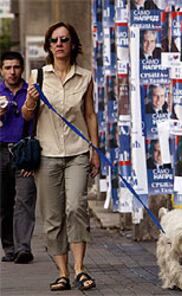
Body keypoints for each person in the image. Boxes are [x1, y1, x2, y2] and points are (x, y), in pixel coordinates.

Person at [22, 22, 100, 291]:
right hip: (47, 153)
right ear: (48, 45)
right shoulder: (38, 76)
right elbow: (27, 115)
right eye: (54, 40)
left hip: (78, 151)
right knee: (52, 216)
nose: (59, 44)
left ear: (72, 44)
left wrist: (95, 150)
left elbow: (90, 114)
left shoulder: (86, 77)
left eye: (64, 39)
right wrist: (31, 100)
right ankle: (62, 272)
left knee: (76, 206)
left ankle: (80, 269)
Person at [0, 51, 37, 264]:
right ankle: (9, 248)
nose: (12, 72)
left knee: (24, 200)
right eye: (7, 67)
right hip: (1, 150)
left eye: (15, 67)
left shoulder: (30, 91)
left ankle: (23, 247)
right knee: (4, 203)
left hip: (24, 151)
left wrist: (33, 158)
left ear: (22, 69)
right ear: (1, 70)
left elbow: (39, 122)